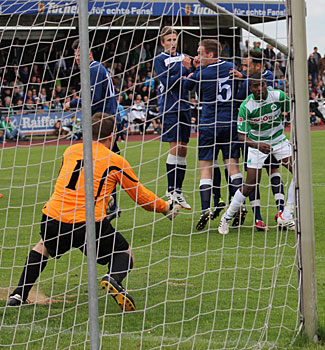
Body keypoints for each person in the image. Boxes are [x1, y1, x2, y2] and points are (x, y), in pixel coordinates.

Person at [6, 113, 181, 309]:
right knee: (124, 252)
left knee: (43, 246)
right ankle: (112, 278)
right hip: (87, 222)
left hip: (53, 216)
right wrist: (166, 207)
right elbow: (140, 197)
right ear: (112, 135)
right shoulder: (115, 160)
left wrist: (103, 198)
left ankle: (18, 295)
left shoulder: (70, 151)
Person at [218, 74, 295, 235]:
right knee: (251, 183)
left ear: (266, 84)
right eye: (255, 86)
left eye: (262, 85)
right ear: (250, 88)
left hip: (279, 140)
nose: (260, 89)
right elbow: (241, 136)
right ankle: (226, 217)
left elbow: (293, 111)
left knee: (299, 172)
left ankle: (286, 215)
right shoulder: (247, 107)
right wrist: (257, 145)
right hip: (256, 144)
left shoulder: (278, 96)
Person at [183, 39, 243, 231]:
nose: (197, 57)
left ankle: (206, 209)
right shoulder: (231, 66)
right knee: (232, 166)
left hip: (209, 124)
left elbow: (186, 86)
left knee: (205, 169)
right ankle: (237, 207)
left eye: (200, 53)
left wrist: (189, 69)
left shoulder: (202, 72)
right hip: (230, 122)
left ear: (210, 54)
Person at [65, 39, 121, 221]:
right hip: (105, 121)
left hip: (105, 122)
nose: (76, 59)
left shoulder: (94, 69)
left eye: (79, 55)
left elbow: (94, 99)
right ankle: (110, 203)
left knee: (102, 162)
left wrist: (73, 103)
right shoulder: (94, 69)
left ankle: (109, 203)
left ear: (89, 54)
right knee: (109, 160)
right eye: (75, 56)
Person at [232, 49, 287, 231]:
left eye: (247, 65)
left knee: (273, 169)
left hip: (269, 135)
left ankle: (281, 212)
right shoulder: (247, 83)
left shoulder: (265, 79)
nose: (244, 68)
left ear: (257, 66)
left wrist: (243, 80)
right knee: (253, 177)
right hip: (250, 133)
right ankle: (258, 217)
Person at [154, 26, 193, 211]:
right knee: (175, 147)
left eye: (174, 39)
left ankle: (178, 190)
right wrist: (185, 71)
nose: (172, 43)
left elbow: (190, 80)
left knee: (184, 149)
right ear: (163, 43)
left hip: (185, 105)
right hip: (170, 108)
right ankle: (170, 190)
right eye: (168, 40)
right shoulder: (159, 60)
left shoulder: (184, 57)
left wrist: (194, 68)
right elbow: (167, 82)